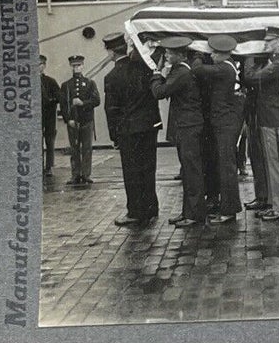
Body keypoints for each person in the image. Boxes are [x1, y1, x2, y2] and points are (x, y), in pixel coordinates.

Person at [102, 32, 161, 226]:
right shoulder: (143, 68)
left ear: (111, 52)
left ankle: (135, 211)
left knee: (132, 172)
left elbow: (111, 110)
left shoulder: (112, 76)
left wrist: (114, 137)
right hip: (148, 126)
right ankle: (151, 207)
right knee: (148, 168)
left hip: (128, 130)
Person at [149, 36, 206, 227]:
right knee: (188, 171)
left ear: (180, 55)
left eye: (169, 53)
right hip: (187, 125)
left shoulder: (181, 72)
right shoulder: (180, 70)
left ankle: (194, 214)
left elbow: (159, 92)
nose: (166, 55)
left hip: (188, 126)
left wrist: (157, 74)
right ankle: (188, 212)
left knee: (192, 171)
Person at [195, 33, 245, 223]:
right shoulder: (228, 65)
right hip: (225, 122)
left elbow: (198, 71)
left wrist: (199, 55)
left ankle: (229, 211)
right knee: (225, 165)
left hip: (225, 124)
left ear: (223, 54)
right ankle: (228, 207)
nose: (212, 56)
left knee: (227, 167)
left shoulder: (224, 68)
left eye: (214, 53)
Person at [251, 31, 279, 221]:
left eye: (269, 42)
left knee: (278, 165)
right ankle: (275, 203)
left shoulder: (278, 65)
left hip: (274, 120)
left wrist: (249, 56)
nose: (265, 44)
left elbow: (252, 77)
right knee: (272, 164)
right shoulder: (272, 63)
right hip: (269, 118)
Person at [59, 52, 101, 188]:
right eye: (74, 66)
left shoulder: (90, 83)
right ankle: (75, 174)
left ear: (83, 66)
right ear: (71, 67)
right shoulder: (66, 85)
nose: (76, 68)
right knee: (74, 149)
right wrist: (68, 119)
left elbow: (96, 100)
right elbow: (63, 104)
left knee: (87, 148)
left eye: (79, 65)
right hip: (73, 122)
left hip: (86, 120)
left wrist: (82, 103)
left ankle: (86, 174)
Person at [39, 54, 60, 176]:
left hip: (49, 115)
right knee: (37, 142)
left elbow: (58, 97)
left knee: (50, 141)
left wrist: (51, 100)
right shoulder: (29, 83)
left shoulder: (51, 81)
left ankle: (49, 166)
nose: (39, 67)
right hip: (36, 116)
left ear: (44, 65)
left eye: (41, 64)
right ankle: (39, 165)